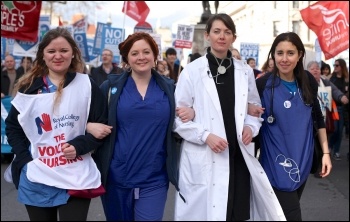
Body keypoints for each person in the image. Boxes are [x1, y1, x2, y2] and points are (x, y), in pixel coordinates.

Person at [173, 13, 285, 221]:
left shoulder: (245, 71)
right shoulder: (191, 72)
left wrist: (251, 128)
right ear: (207, 36)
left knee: (237, 212)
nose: (222, 36)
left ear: (233, 37)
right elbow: (178, 119)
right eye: (216, 31)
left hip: (238, 156)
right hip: (207, 154)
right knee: (210, 213)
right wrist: (205, 136)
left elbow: (255, 110)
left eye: (227, 32)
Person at [5, 27, 108, 221]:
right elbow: (13, 127)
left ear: (73, 54)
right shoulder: (28, 88)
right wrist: (25, 159)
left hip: (75, 175)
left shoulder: (87, 85)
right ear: (43, 55)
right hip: (37, 174)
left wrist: (79, 145)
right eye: (51, 51)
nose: (58, 56)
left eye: (64, 50)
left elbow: (102, 126)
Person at [93, 32, 194, 221]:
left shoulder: (171, 89)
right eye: (135, 53)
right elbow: (89, 117)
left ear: (155, 56)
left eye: (146, 52)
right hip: (117, 178)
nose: (141, 57)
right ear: (126, 59)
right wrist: (90, 126)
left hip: (154, 178)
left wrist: (193, 112)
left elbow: (189, 114)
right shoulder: (110, 88)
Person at [255, 32, 332, 221]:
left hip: (302, 162)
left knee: (281, 215)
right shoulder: (262, 84)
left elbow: (318, 118)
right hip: (275, 164)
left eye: (290, 53)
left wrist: (326, 154)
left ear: (299, 55)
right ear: (273, 55)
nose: (284, 59)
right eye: (279, 53)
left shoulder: (307, 81)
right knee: (291, 215)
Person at [307, 61, 348, 177]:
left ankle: (321, 166)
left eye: (317, 69)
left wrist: (341, 96)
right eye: (312, 69)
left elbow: (335, 91)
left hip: (324, 119)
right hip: (309, 120)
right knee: (313, 143)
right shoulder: (304, 83)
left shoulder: (325, 82)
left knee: (323, 142)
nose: (315, 70)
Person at [329, 58, 349, 160]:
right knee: (335, 129)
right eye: (334, 65)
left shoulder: (347, 79)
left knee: (340, 130)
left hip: (343, 108)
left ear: (342, 66)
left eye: (337, 65)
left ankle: (336, 151)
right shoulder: (331, 79)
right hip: (333, 108)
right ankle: (330, 146)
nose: (335, 67)